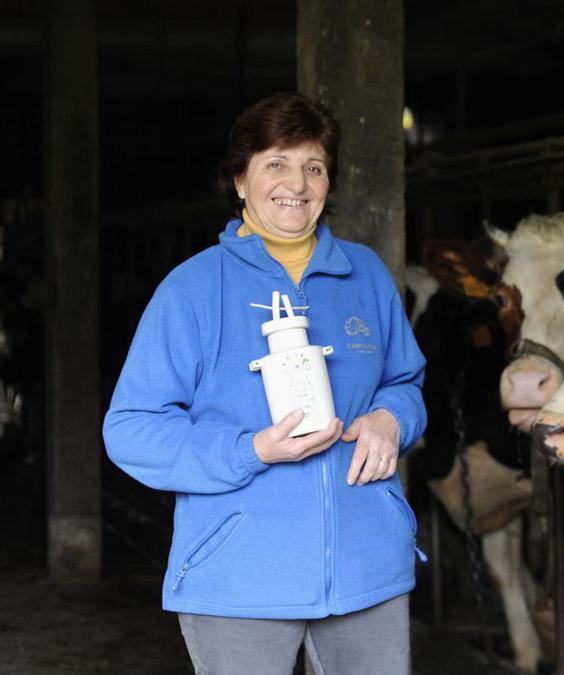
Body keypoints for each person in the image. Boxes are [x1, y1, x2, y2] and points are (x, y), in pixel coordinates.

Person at [103, 92, 427, 675]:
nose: (297, 185)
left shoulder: (366, 275)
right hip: (238, 575)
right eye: (276, 164)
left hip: (367, 568)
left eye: (314, 166)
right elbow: (130, 428)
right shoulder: (193, 289)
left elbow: (404, 380)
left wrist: (392, 419)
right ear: (239, 180)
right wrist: (249, 449)